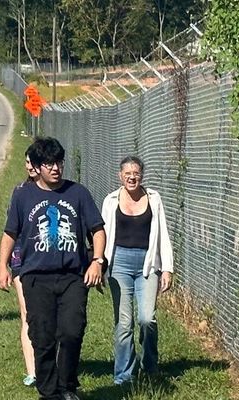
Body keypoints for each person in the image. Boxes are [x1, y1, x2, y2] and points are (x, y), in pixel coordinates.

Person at [0, 137, 106, 400]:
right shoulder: (23, 195)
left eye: (59, 162)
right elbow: (10, 232)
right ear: (36, 166)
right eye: (49, 163)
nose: (56, 168)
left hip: (71, 276)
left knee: (71, 331)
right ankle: (49, 392)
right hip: (36, 277)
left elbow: (97, 230)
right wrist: (3, 265)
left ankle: (67, 385)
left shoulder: (77, 193)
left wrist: (97, 260)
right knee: (42, 337)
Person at [99, 156, 174, 385]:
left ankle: (149, 366)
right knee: (124, 323)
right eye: (127, 173)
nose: (132, 177)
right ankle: (124, 375)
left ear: (142, 175)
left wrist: (167, 269)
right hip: (118, 263)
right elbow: (101, 236)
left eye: (136, 173)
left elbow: (163, 234)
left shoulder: (154, 199)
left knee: (146, 319)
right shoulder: (111, 200)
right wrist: (100, 265)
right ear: (120, 176)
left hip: (147, 264)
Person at [12, 155, 39, 387]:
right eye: (27, 161)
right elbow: (10, 229)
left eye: (34, 161)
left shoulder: (56, 192)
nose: (30, 166)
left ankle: (50, 363)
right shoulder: (19, 191)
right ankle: (32, 371)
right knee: (27, 313)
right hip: (21, 258)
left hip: (47, 259)